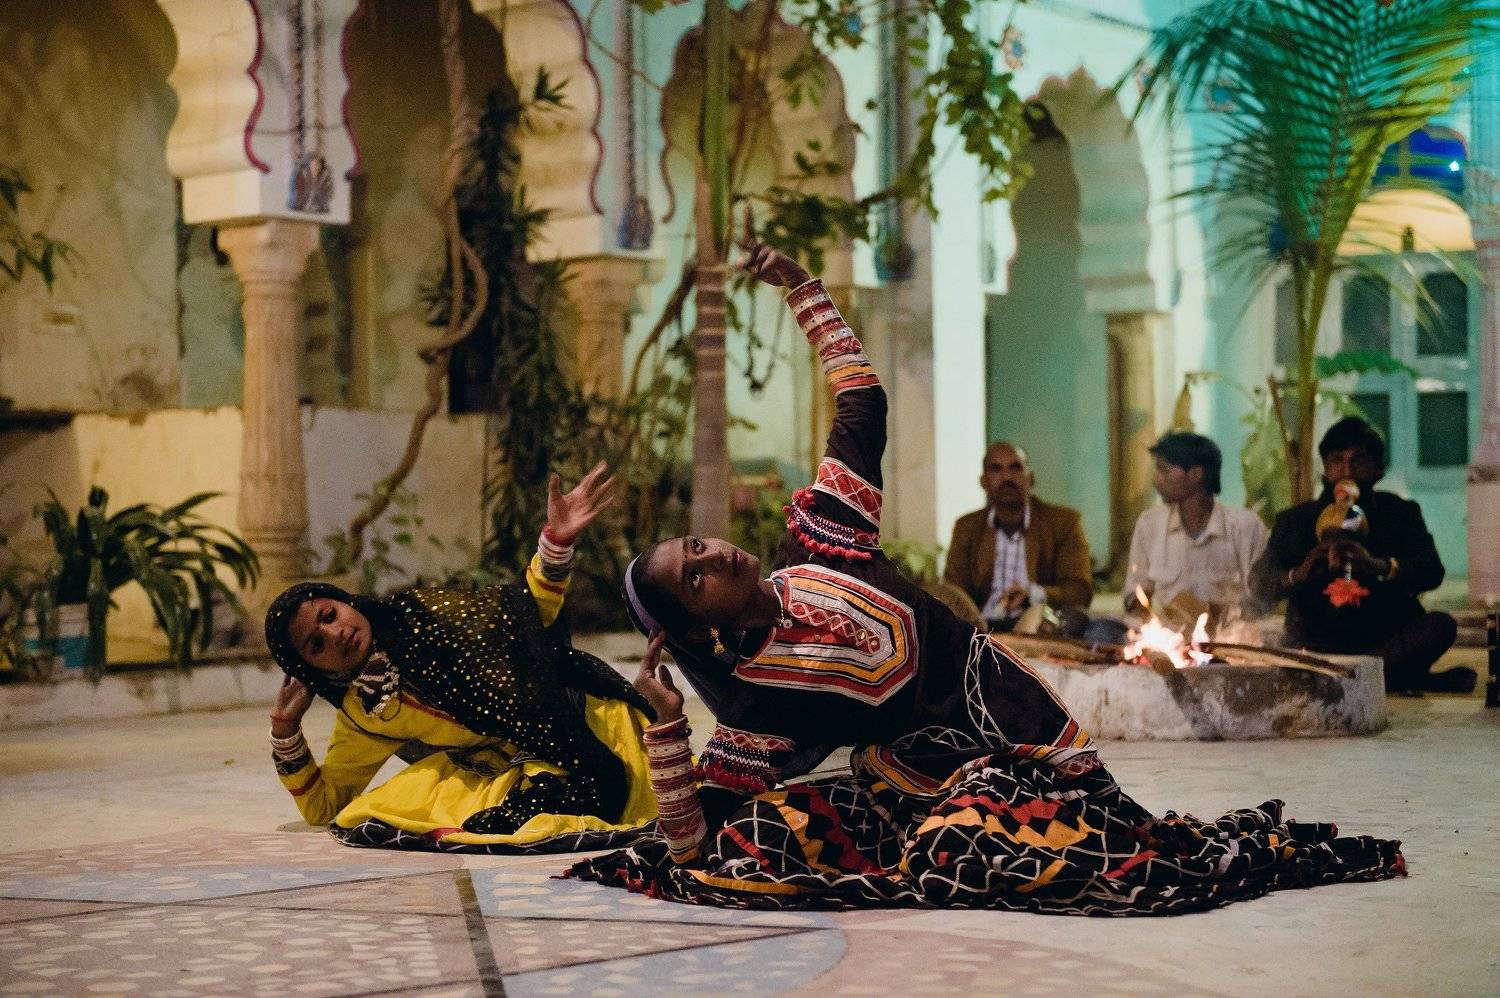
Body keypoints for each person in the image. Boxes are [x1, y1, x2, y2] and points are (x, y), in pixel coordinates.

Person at [566, 233, 1404, 915]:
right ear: (700, 622)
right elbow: (691, 845)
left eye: (699, 545)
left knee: (1107, 843)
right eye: (695, 575)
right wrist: (670, 731)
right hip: (921, 777)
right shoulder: (757, 703)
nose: (714, 555)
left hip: (1006, 706)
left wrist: (803, 291)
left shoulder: (820, 541)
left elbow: (861, 401)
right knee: (868, 845)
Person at [263, 464, 659, 853]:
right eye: (316, 645)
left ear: (346, 602)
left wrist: (555, 543)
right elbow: (324, 807)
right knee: (388, 809)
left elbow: (524, 610)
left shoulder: (421, 612)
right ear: (311, 670)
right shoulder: (364, 713)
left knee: (608, 786)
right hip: (503, 765)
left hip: (568, 716)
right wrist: (285, 734)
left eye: (329, 615)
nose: (335, 634)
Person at [1249, 417, 1472, 695]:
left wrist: (1380, 566)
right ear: (1325, 470)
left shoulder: (1400, 513)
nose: (1347, 470)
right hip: (1317, 645)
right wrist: (1300, 572)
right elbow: (1257, 585)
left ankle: (1357, 679)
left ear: (1378, 470)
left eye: (1358, 460)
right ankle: (1394, 680)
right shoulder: (1296, 520)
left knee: (1441, 626)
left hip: (1385, 642)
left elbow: (1431, 571)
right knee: (1275, 645)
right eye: (1337, 461)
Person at [944, 441, 1094, 631]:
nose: (1006, 477)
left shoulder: (1064, 522)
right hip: (984, 626)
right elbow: (954, 592)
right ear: (983, 482)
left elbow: (1080, 591)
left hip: (1043, 625)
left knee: (1085, 624)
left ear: (1030, 479)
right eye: (996, 469)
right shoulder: (967, 527)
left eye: (1015, 468)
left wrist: (1032, 594)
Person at [1124, 432, 1267, 623]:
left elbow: (1260, 600)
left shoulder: (1245, 527)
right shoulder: (1149, 524)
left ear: (1195, 475)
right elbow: (1134, 593)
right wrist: (1145, 605)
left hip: (1228, 641)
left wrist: (1207, 611)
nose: (1156, 480)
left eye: (1164, 471)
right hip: (1168, 641)